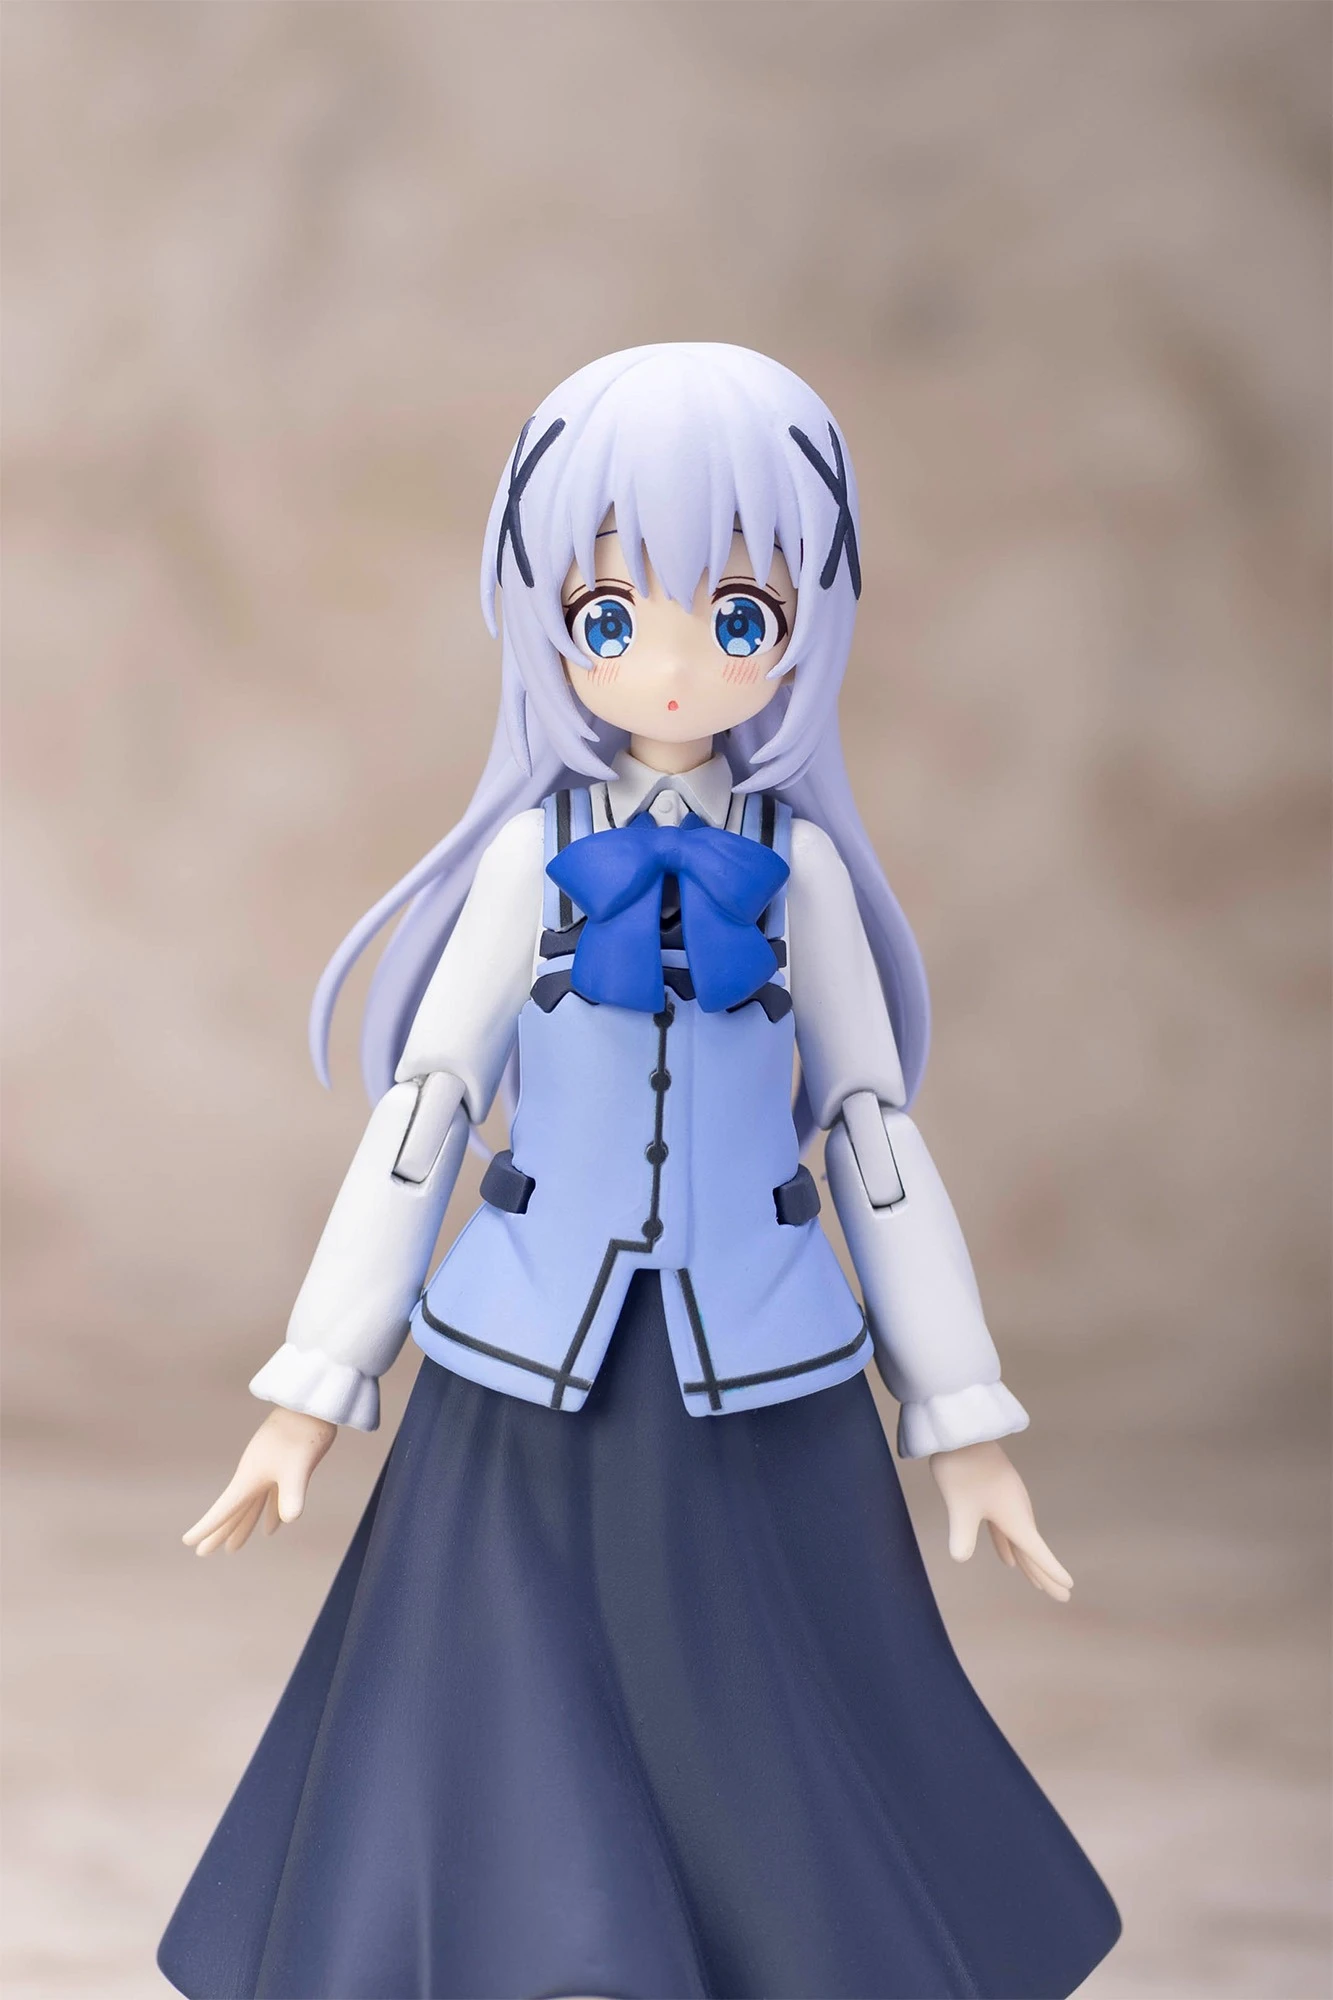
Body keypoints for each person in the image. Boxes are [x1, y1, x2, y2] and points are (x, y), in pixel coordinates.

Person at [158, 343, 1120, 2000]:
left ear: (809, 620)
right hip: (524, 1379)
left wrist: (963, 1420)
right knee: (500, 1738)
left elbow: (873, 1136)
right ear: (542, 617)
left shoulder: (799, 875)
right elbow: (427, 1116)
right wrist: (311, 1392)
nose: (673, 666)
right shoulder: (527, 866)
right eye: (612, 616)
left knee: (780, 1739)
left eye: (737, 614)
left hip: (763, 1384)